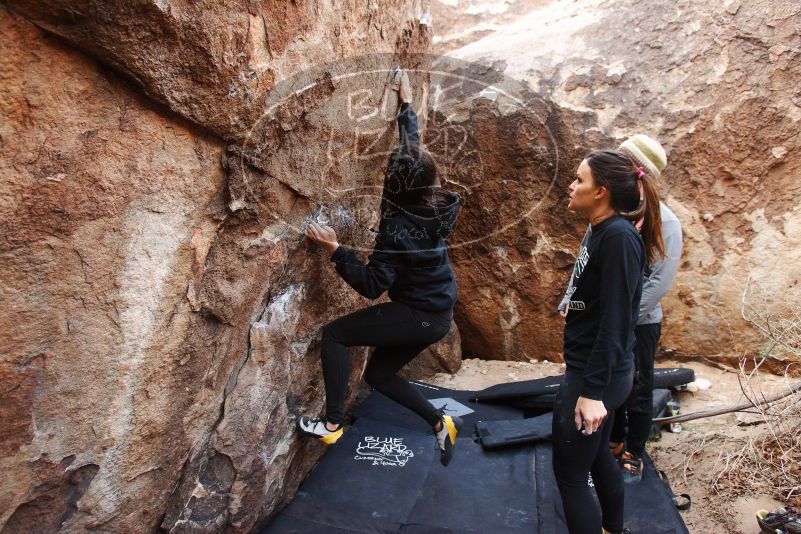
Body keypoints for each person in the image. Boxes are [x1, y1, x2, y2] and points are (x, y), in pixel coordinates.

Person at [297, 69, 464, 466]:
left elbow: (373, 285)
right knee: (380, 376)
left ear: (395, 183)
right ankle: (441, 421)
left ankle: (333, 423)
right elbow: (414, 152)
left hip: (419, 314)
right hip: (437, 312)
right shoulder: (434, 202)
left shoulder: (400, 228)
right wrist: (406, 106)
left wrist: (337, 250)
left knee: (336, 335)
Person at [553, 149, 663, 534]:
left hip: (594, 378)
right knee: (599, 456)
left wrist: (592, 392)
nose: (571, 185)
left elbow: (618, 324)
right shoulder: (604, 231)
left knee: (569, 476)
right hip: (600, 374)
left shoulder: (617, 238)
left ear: (601, 192)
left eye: (579, 180)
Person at [609, 134, 683, 483]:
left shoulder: (665, 222)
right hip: (610, 320)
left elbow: (658, 282)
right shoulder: (611, 210)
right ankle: (613, 438)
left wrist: (622, 317)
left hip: (639, 323)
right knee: (612, 383)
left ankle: (634, 450)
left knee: (639, 387)